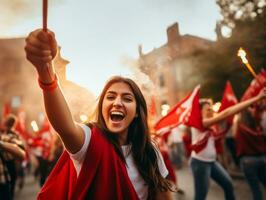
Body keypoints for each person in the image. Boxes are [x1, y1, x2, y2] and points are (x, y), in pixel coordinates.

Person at [24, 29, 174, 200]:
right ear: (102, 107)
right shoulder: (89, 141)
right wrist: (45, 70)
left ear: (137, 113)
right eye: (110, 97)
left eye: (127, 98)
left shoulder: (150, 150)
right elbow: (65, 126)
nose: (117, 102)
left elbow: (163, 194)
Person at [189, 90, 266, 200]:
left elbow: (228, 113)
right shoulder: (202, 123)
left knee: (228, 185)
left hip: (211, 162)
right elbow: (227, 113)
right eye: (207, 109)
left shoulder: (210, 123)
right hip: (200, 163)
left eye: (211, 108)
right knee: (200, 197)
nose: (211, 110)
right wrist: (257, 98)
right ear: (199, 112)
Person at [234, 104, 266, 200]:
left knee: (255, 189)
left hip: (247, 160)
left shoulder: (239, 127)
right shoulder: (258, 126)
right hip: (262, 158)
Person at [0, 114, 26, 200]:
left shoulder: (12, 135)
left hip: (10, 164)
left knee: (10, 188)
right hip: (7, 165)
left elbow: (21, 151)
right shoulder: (4, 133)